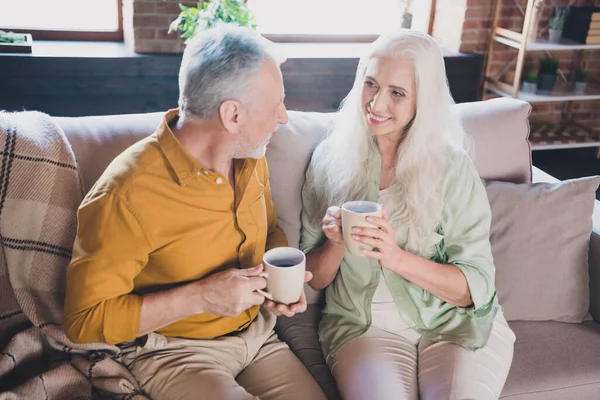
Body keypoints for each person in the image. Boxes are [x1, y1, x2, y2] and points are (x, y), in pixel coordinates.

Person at [63, 25, 326, 400]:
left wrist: (275, 283)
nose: (283, 117)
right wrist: (200, 297)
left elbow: (270, 232)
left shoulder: (250, 159)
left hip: (257, 336)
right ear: (232, 115)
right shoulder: (126, 193)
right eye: (276, 105)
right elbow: (82, 322)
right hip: (175, 351)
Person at [301, 29, 515, 400]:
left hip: (454, 324)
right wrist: (335, 245)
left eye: (397, 93)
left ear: (423, 101)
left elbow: (473, 288)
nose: (377, 103)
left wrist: (395, 257)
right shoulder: (329, 159)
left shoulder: (451, 167)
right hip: (361, 328)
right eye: (371, 84)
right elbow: (314, 279)